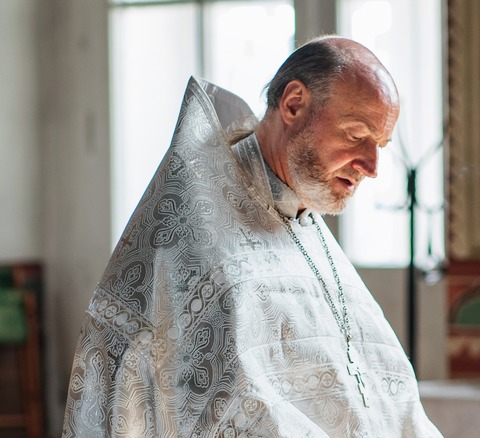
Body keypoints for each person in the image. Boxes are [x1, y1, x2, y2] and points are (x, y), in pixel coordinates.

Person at [62, 36, 442, 437]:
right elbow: (228, 408)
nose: (372, 165)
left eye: (379, 145)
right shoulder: (194, 234)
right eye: (355, 135)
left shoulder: (303, 219)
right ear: (294, 104)